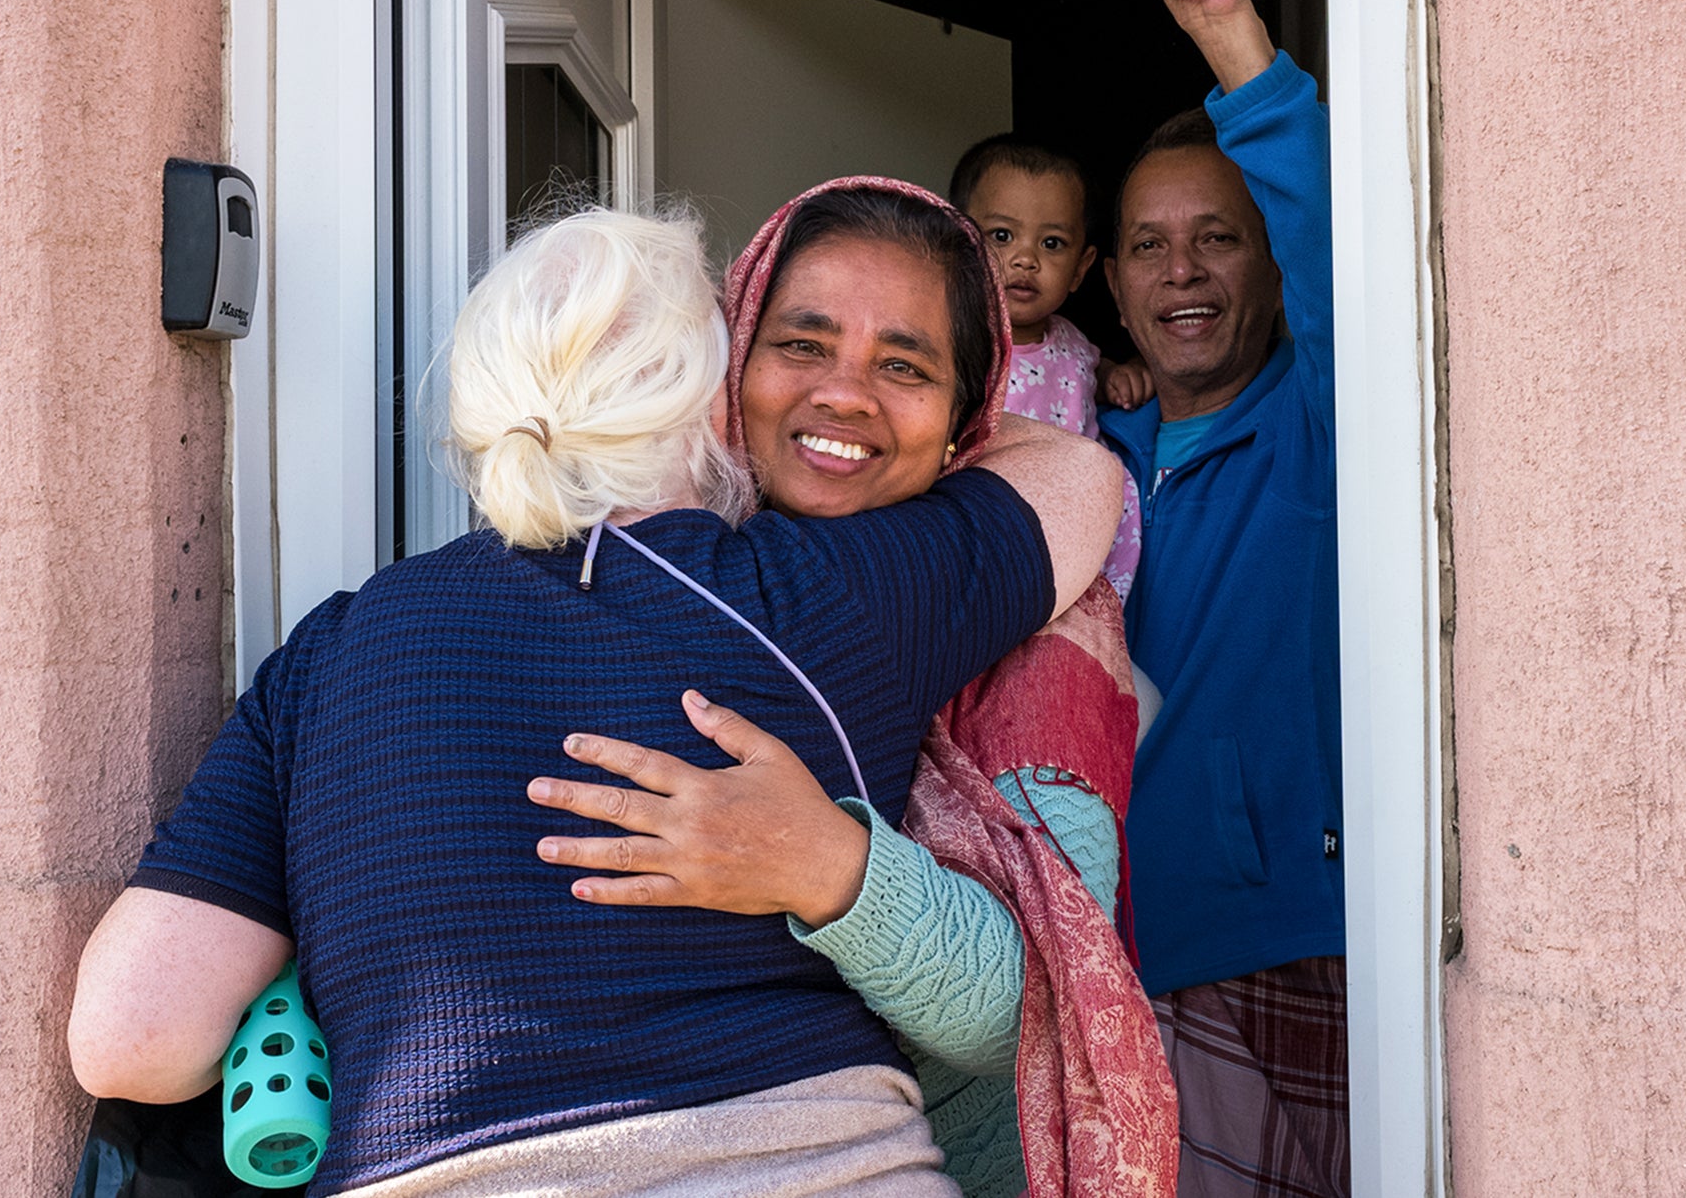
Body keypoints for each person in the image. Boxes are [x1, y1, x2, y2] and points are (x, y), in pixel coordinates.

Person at [66, 206, 1126, 1196]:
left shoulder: (331, 653)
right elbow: (1080, 475)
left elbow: (128, 1037)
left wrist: (329, 949)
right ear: (711, 393)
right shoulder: (824, 593)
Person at [529, 178, 1178, 1197]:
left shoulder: (1035, 645)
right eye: (800, 344)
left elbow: (1032, 1009)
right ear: (729, 358)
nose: (843, 393)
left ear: (970, 416)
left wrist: (825, 866)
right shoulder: (634, 564)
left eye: (904, 365)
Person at [1094, 0, 1349, 1198]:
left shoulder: (1322, 423)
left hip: (1277, 938)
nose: (1183, 270)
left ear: (1270, 261)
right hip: (1094, 962)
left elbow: (1338, 244)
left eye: (1220, 239)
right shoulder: (1073, 455)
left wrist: (1227, 43)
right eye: (1148, 245)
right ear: (1112, 283)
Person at [949, 138, 1144, 603]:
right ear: (958, 242)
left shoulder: (1075, 343)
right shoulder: (955, 344)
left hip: (1080, 527)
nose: (1025, 258)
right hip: (995, 526)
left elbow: (1087, 375)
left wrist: (1122, 373)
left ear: (1081, 268)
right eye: (1001, 235)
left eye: (1051, 243)